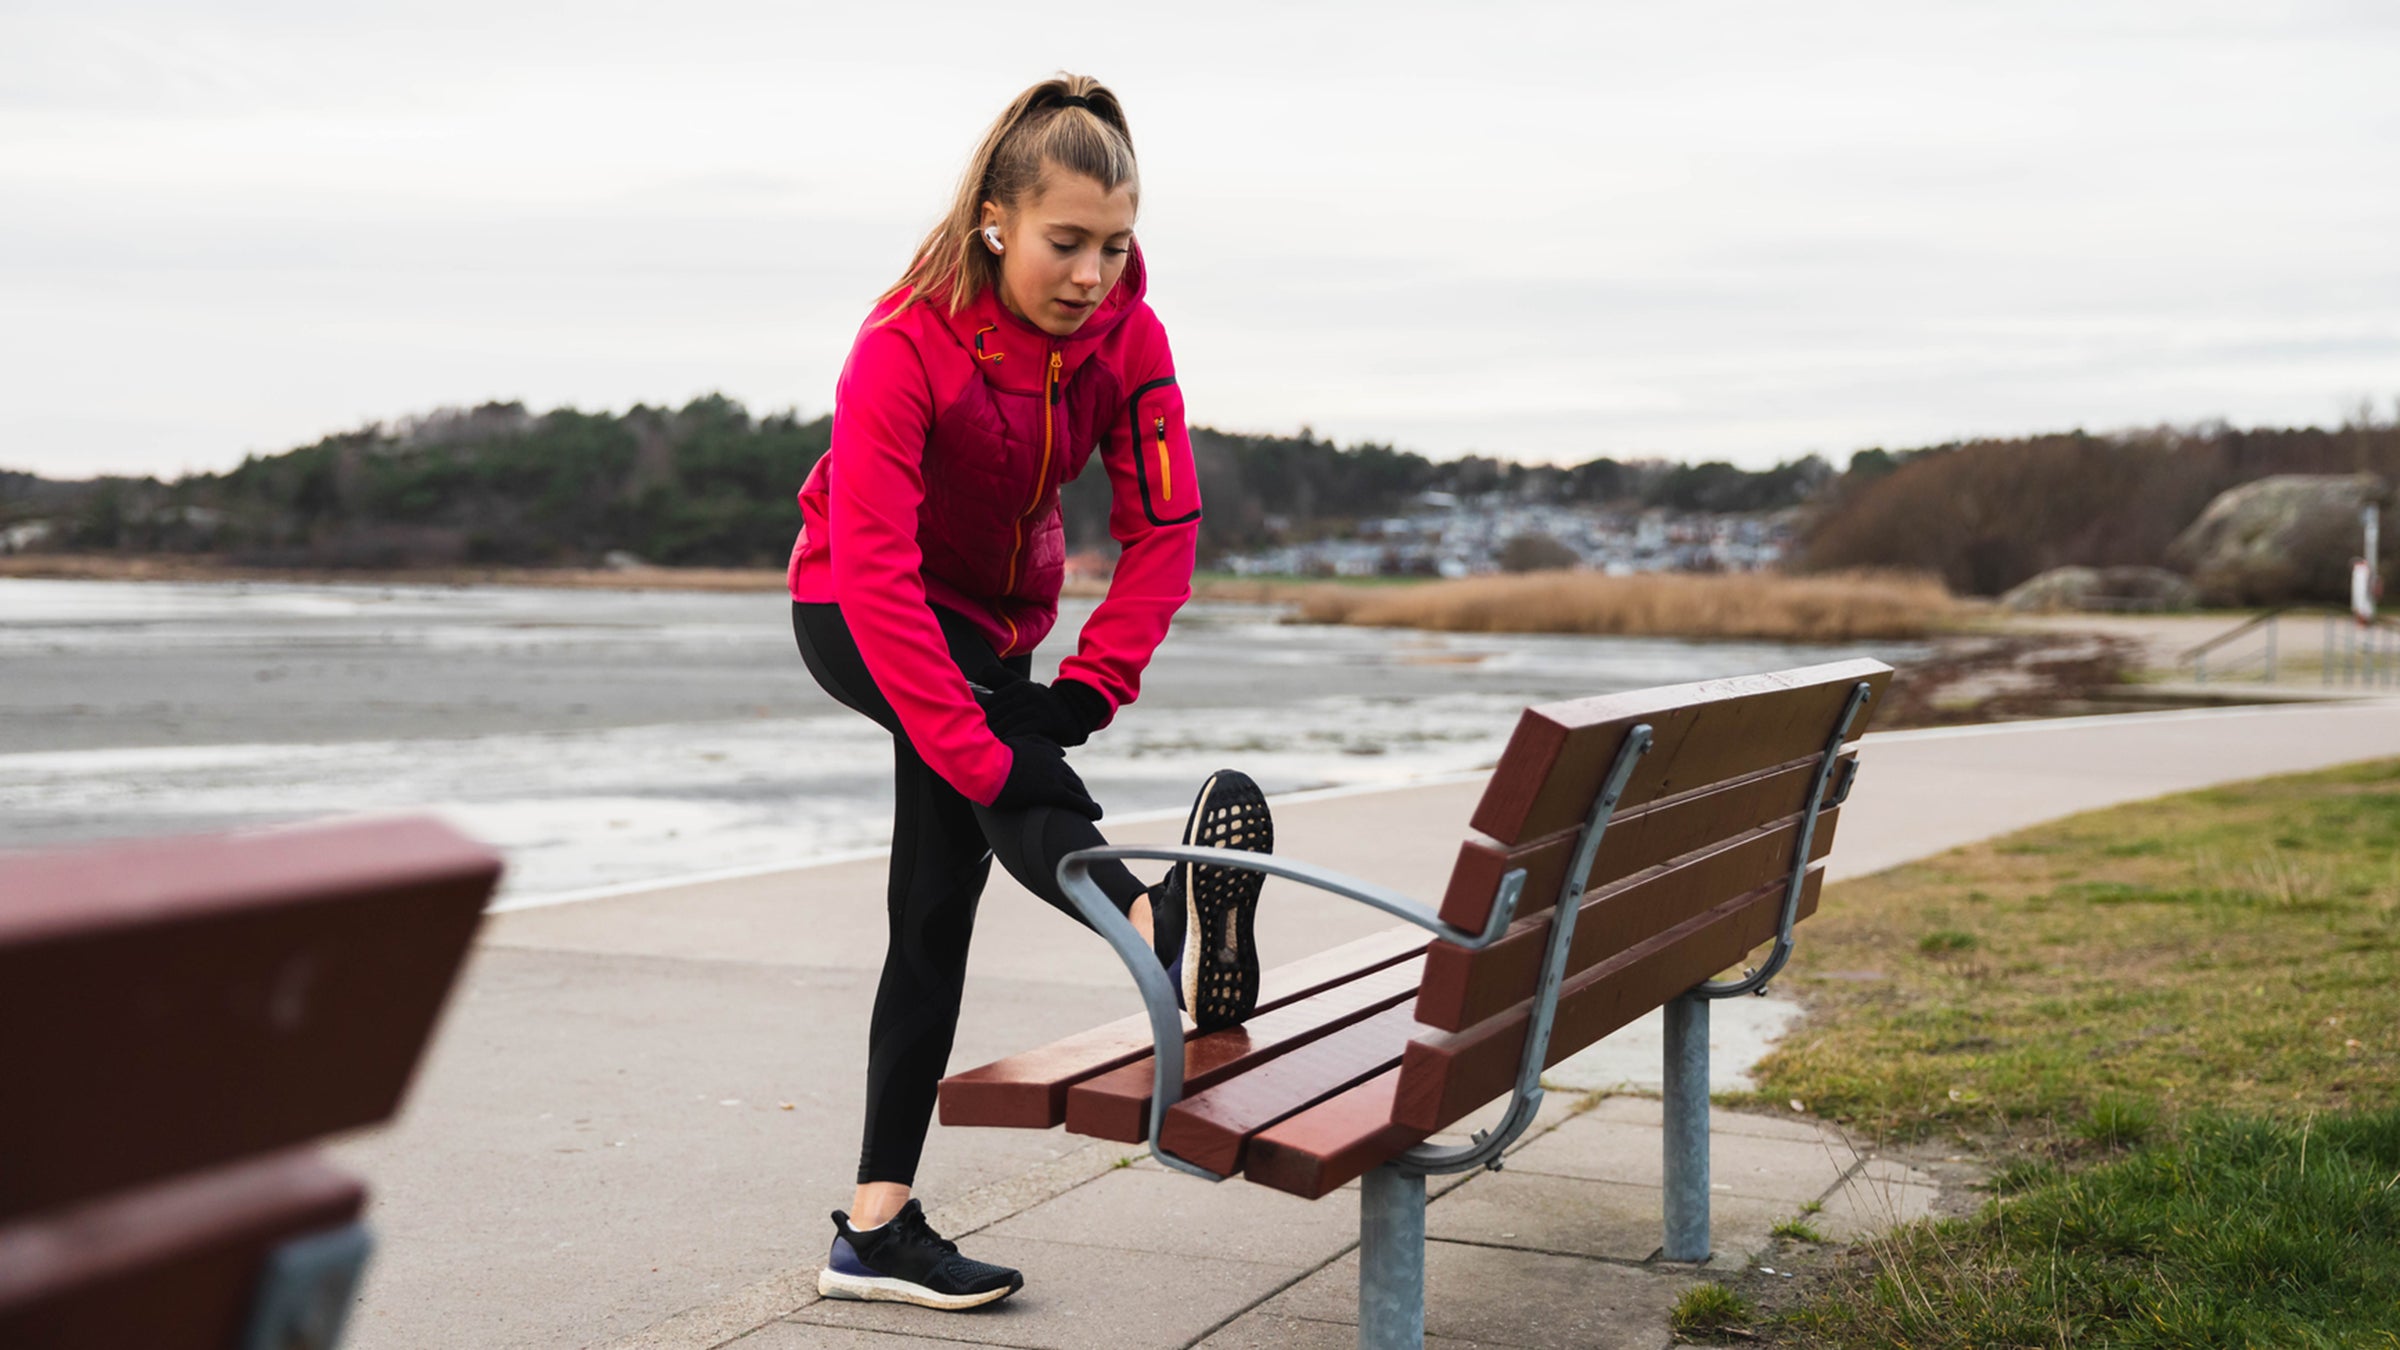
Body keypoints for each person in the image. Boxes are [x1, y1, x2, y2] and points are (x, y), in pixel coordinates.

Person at [786, 73, 1274, 1311]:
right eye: (1067, 242)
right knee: (986, 777)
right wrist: (991, 745)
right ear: (998, 218)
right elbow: (882, 570)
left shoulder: (1131, 343)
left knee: (933, 904)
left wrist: (1091, 689)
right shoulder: (903, 343)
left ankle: (874, 1226)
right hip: (855, 607)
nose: (1094, 273)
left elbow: (1164, 525)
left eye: (1116, 244)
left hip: (994, 633)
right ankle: (1157, 925)